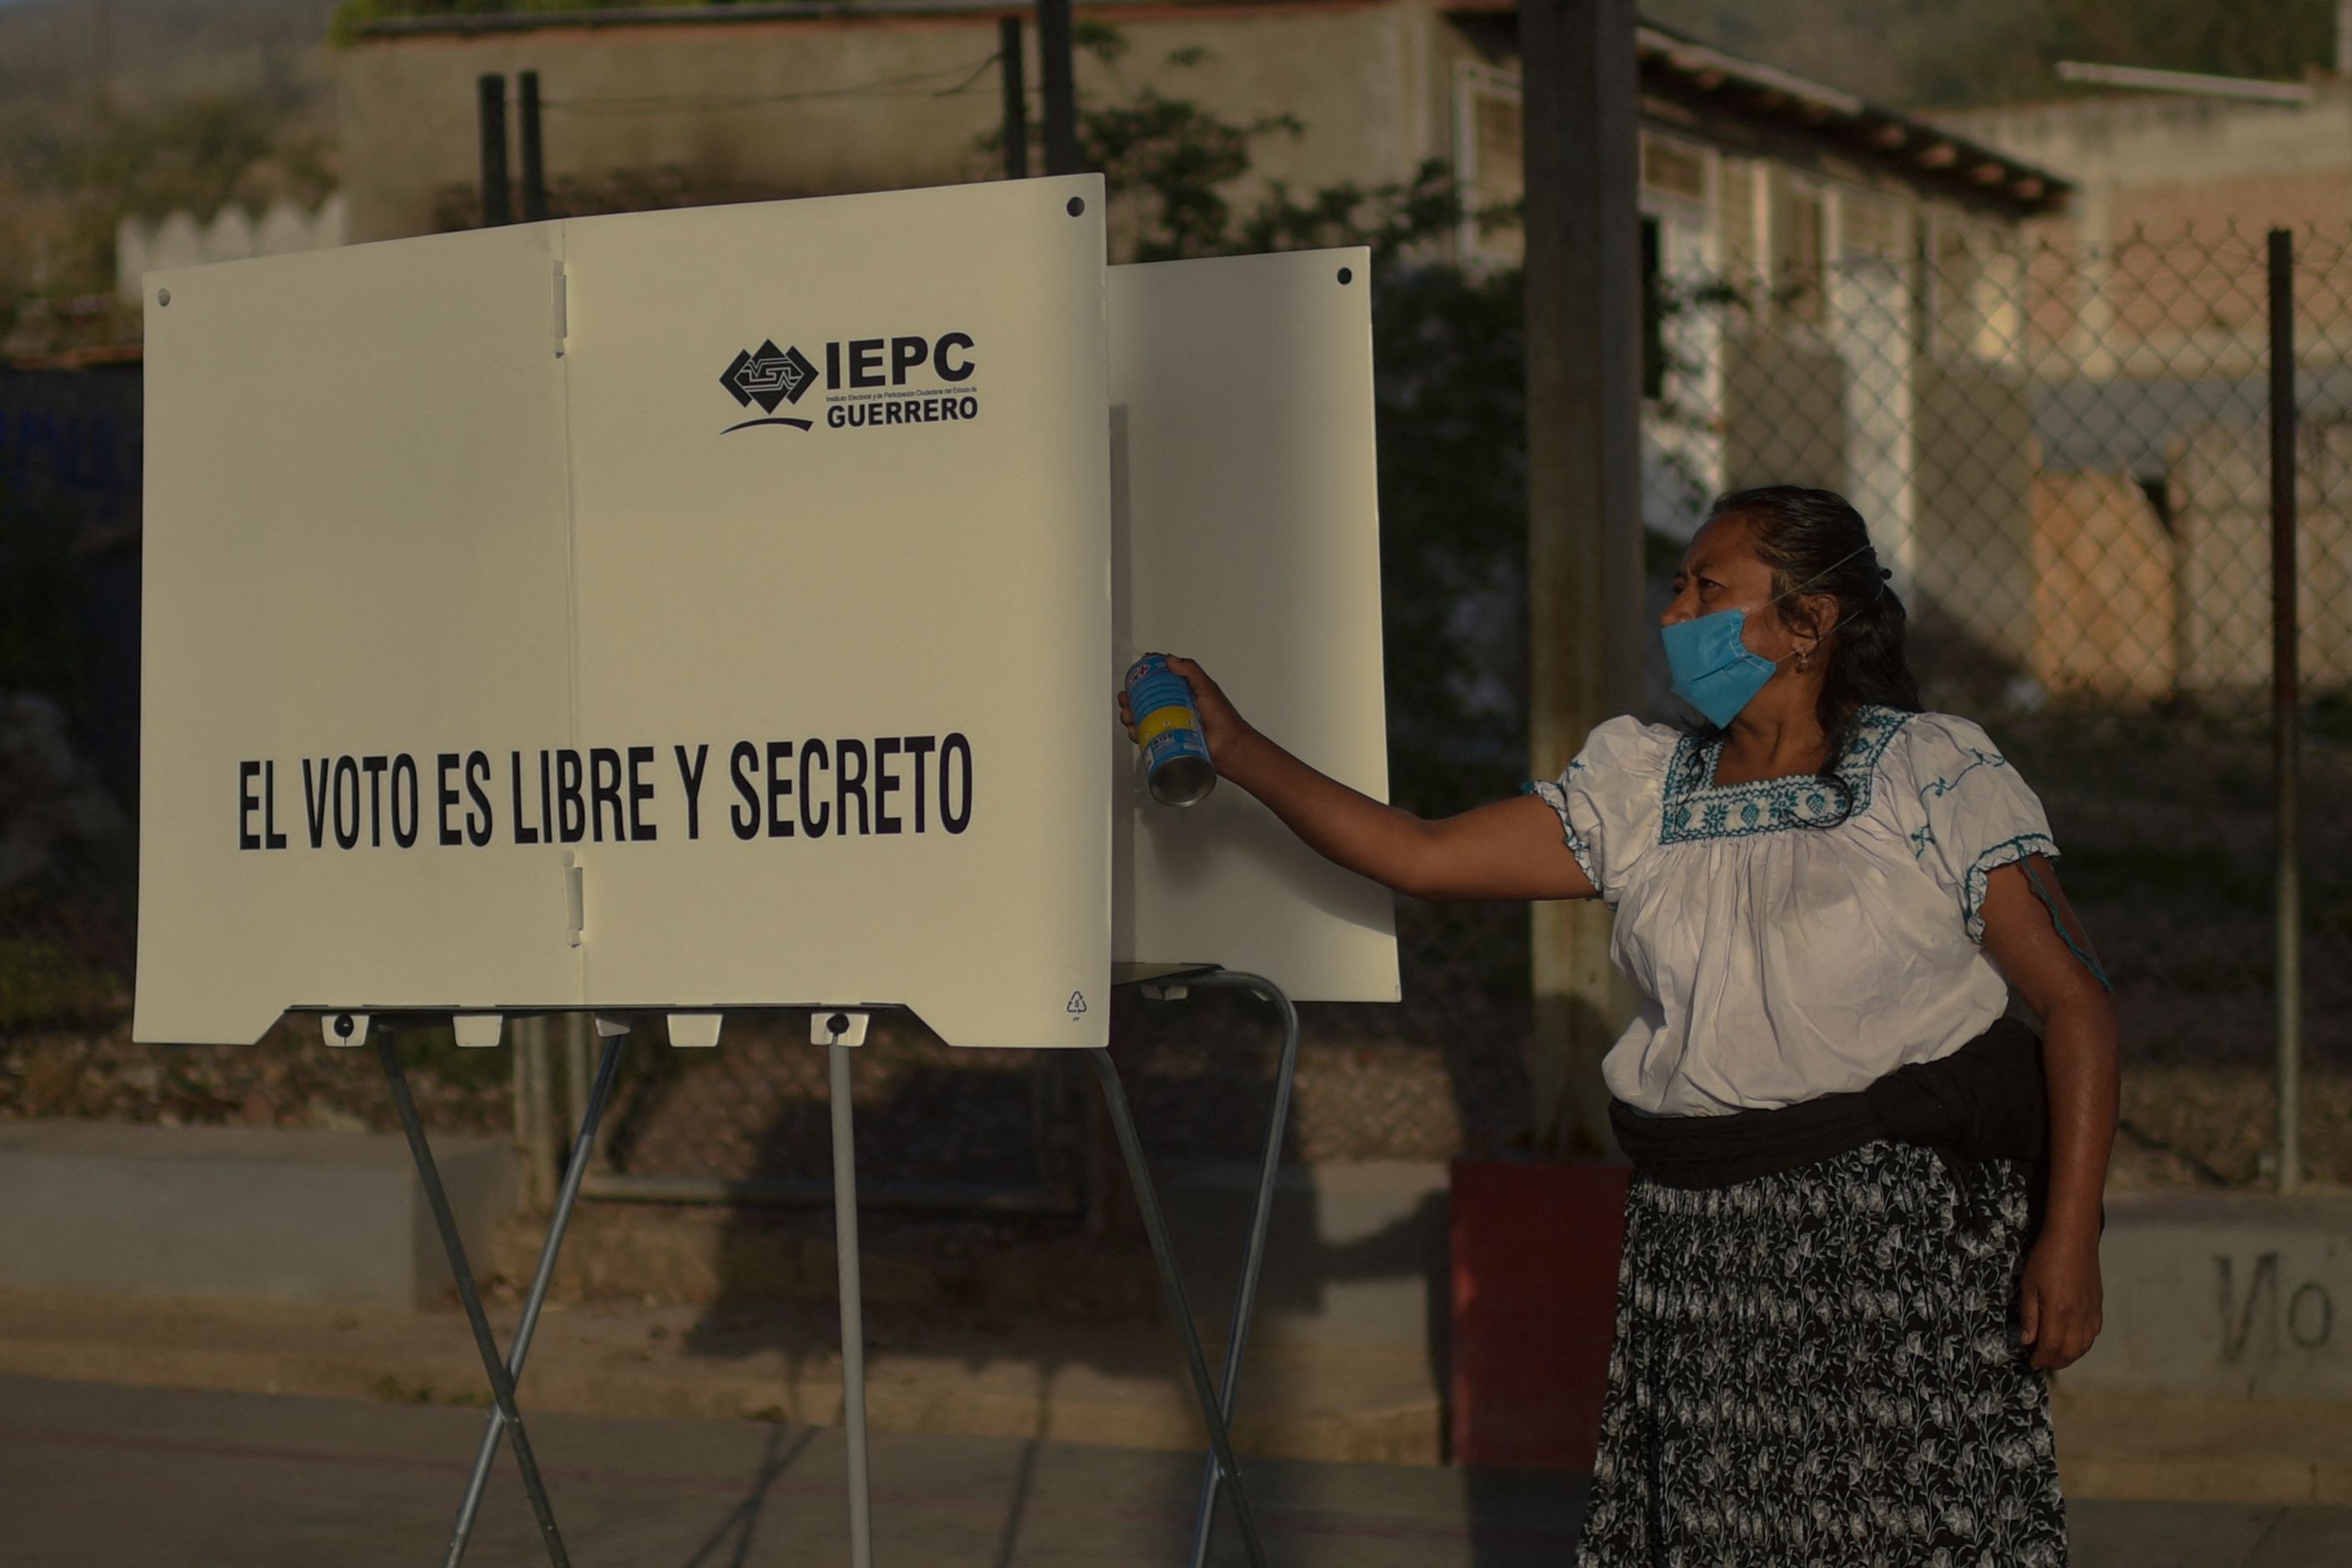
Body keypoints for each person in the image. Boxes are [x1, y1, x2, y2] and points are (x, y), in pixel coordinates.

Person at [1120, 485, 2116, 1566]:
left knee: (1909, 1532)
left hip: (1892, 1252)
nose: (1672, 612)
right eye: (1674, 585)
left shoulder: (1929, 770)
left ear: (1808, 621)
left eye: (1707, 588)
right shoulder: (1641, 788)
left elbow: (2074, 1006)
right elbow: (1419, 854)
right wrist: (1238, 746)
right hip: (1701, 1253)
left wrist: (2067, 1239)